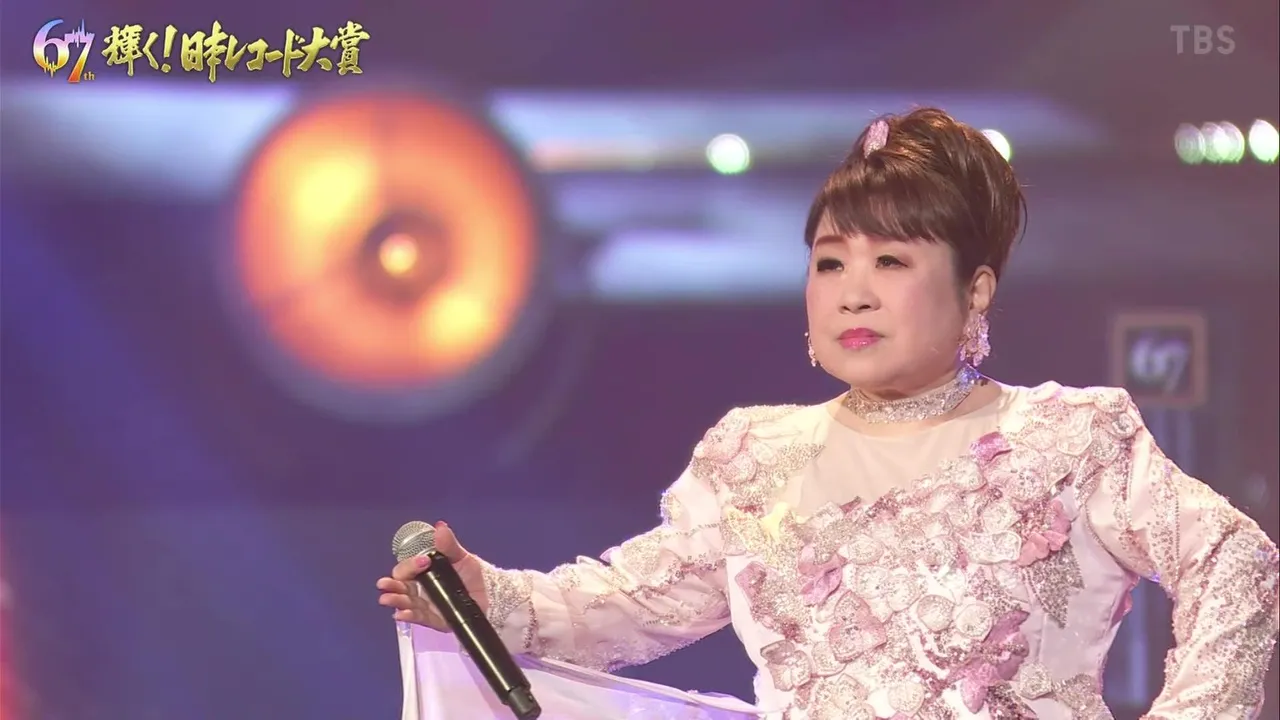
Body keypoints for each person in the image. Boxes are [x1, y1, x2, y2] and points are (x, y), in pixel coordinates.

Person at [377, 107, 1280, 719]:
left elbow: (1236, 560)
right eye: (830, 262)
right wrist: (489, 597)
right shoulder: (755, 456)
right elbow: (625, 607)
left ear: (975, 291)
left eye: (891, 263)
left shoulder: (1066, 440)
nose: (853, 292)